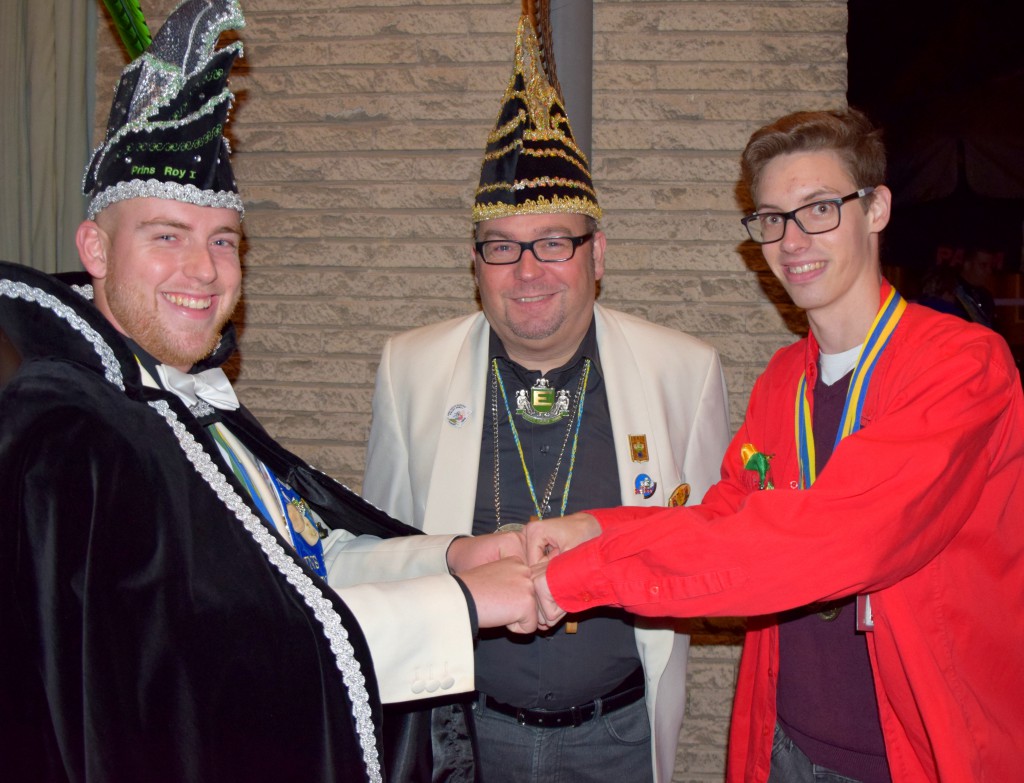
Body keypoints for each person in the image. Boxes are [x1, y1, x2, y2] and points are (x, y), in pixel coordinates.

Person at [0, 3, 537, 781]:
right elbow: (200, 667)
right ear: (94, 248)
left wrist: (449, 559)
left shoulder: (188, 400)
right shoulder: (66, 432)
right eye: (166, 236)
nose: (204, 271)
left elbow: (302, 558)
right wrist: (458, 606)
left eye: (222, 240)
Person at [525, 108, 1024, 783]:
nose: (792, 240)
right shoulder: (783, 379)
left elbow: (837, 541)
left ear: (875, 208)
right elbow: (726, 517)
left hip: (911, 755)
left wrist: (579, 578)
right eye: (771, 218)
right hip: (785, 743)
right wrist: (592, 528)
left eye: (818, 208)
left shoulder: (962, 368)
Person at [362, 13, 731, 783]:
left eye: (554, 242)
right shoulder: (410, 369)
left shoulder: (683, 372)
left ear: (598, 254)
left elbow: (709, 552)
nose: (528, 270)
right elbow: (382, 560)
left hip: (619, 737)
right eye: (502, 247)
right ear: (476, 262)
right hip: (463, 734)